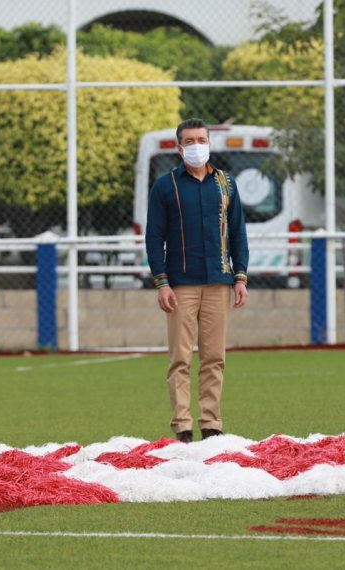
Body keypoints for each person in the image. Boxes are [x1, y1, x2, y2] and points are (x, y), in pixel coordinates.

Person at [145, 118, 249, 443]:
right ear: (179, 148)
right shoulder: (165, 186)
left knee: (215, 356)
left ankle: (212, 425)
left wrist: (240, 276)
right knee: (180, 357)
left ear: (209, 143)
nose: (195, 145)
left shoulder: (226, 185)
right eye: (188, 141)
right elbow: (153, 237)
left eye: (200, 139)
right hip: (180, 286)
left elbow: (238, 233)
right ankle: (183, 426)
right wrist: (162, 282)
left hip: (219, 281)